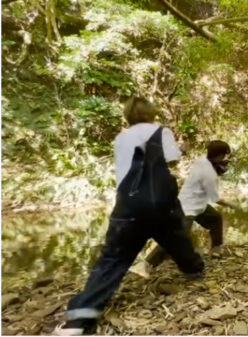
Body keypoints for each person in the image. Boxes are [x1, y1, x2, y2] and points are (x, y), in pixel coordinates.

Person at [54, 97, 204, 336]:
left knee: (111, 261)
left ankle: (78, 322)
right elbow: (173, 159)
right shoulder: (161, 131)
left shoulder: (121, 138)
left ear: (128, 116)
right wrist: (182, 148)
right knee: (178, 239)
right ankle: (194, 269)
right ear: (151, 113)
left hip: (128, 208)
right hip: (161, 206)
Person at [142, 140, 237, 270]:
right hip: (187, 208)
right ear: (219, 155)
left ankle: (216, 249)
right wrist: (232, 205)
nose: (225, 158)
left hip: (198, 205)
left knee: (215, 218)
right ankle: (147, 264)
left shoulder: (202, 160)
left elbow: (212, 166)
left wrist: (220, 165)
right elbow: (215, 199)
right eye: (224, 155)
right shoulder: (210, 175)